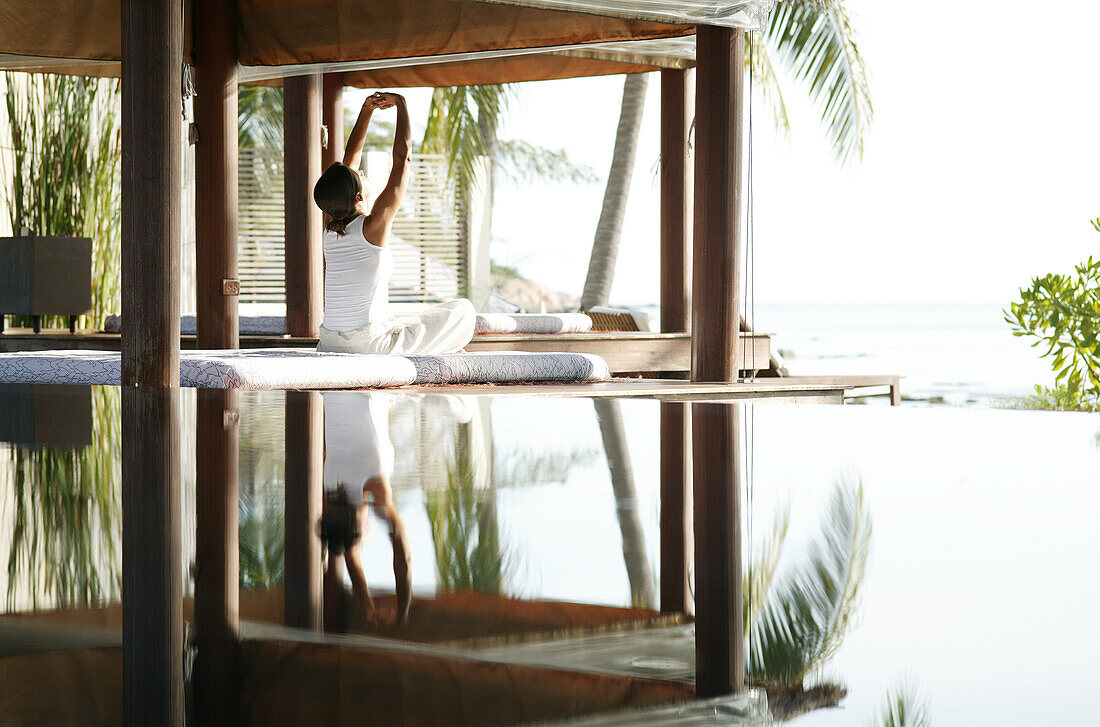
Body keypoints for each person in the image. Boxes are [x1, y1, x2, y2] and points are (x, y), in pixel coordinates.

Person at [312, 91, 475, 355]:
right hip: (369, 346)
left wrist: (367, 109)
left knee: (402, 319)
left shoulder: (330, 227)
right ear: (357, 196)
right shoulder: (372, 226)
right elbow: (403, 161)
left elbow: (348, 165)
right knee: (464, 310)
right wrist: (402, 104)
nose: (361, 172)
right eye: (360, 176)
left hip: (329, 343)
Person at [319, 391, 411, 628]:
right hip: (332, 386)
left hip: (369, 381)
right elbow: (351, 555)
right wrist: (367, 605)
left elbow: (404, 555)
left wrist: (403, 610)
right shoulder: (330, 486)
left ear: (357, 523)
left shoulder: (372, 487)